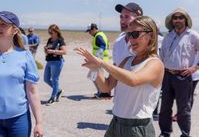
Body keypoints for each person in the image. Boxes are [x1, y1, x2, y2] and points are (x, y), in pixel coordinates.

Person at [76, 16, 164, 137]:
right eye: (129, 35)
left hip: (137, 127)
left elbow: (134, 80)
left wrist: (102, 62)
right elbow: (106, 88)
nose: (131, 40)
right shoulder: (126, 60)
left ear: (151, 36)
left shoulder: (155, 63)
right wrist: (94, 70)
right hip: (116, 122)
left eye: (135, 34)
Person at [159, 8, 199, 137]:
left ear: (186, 20)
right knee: (165, 107)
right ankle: (165, 132)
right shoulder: (168, 36)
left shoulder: (193, 35)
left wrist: (194, 68)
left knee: (183, 109)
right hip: (167, 75)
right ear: (172, 21)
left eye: (180, 17)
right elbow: (162, 56)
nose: (177, 20)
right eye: (175, 18)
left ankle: (185, 134)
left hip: (183, 76)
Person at [85, 23, 111, 98]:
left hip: (99, 60)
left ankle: (103, 92)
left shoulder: (98, 36)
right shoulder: (100, 34)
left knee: (94, 76)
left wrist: (96, 58)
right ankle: (102, 92)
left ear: (94, 29)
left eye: (90, 31)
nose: (89, 33)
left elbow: (103, 46)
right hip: (101, 59)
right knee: (95, 76)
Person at [44, 24, 67, 104]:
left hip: (57, 62)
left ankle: (53, 98)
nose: (50, 34)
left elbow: (64, 52)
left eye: (52, 32)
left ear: (56, 32)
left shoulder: (60, 40)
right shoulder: (50, 40)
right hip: (49, 61)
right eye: (49, 32)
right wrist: (46, 50)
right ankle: (58, 90)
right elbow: (47, 51)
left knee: (55, 79)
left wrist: (53, 51)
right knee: (46, 79)